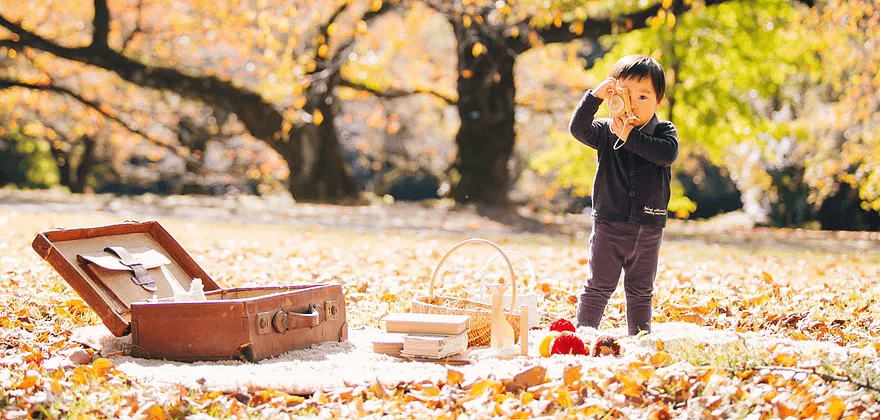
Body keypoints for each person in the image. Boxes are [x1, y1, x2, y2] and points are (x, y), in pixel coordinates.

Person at [568, 54, 678, 335]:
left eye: (644, 97)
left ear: (658, 100)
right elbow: (577, 128)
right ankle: (584, 334)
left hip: (648, 227)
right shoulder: (606, 130)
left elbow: (666, 154)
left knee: (641, 289)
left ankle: (640, 338)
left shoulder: (663, 131)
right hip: (609, 224)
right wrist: (594, 97)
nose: (635, 104)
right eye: (628, 96)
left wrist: (631, 136)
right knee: (598, 285)